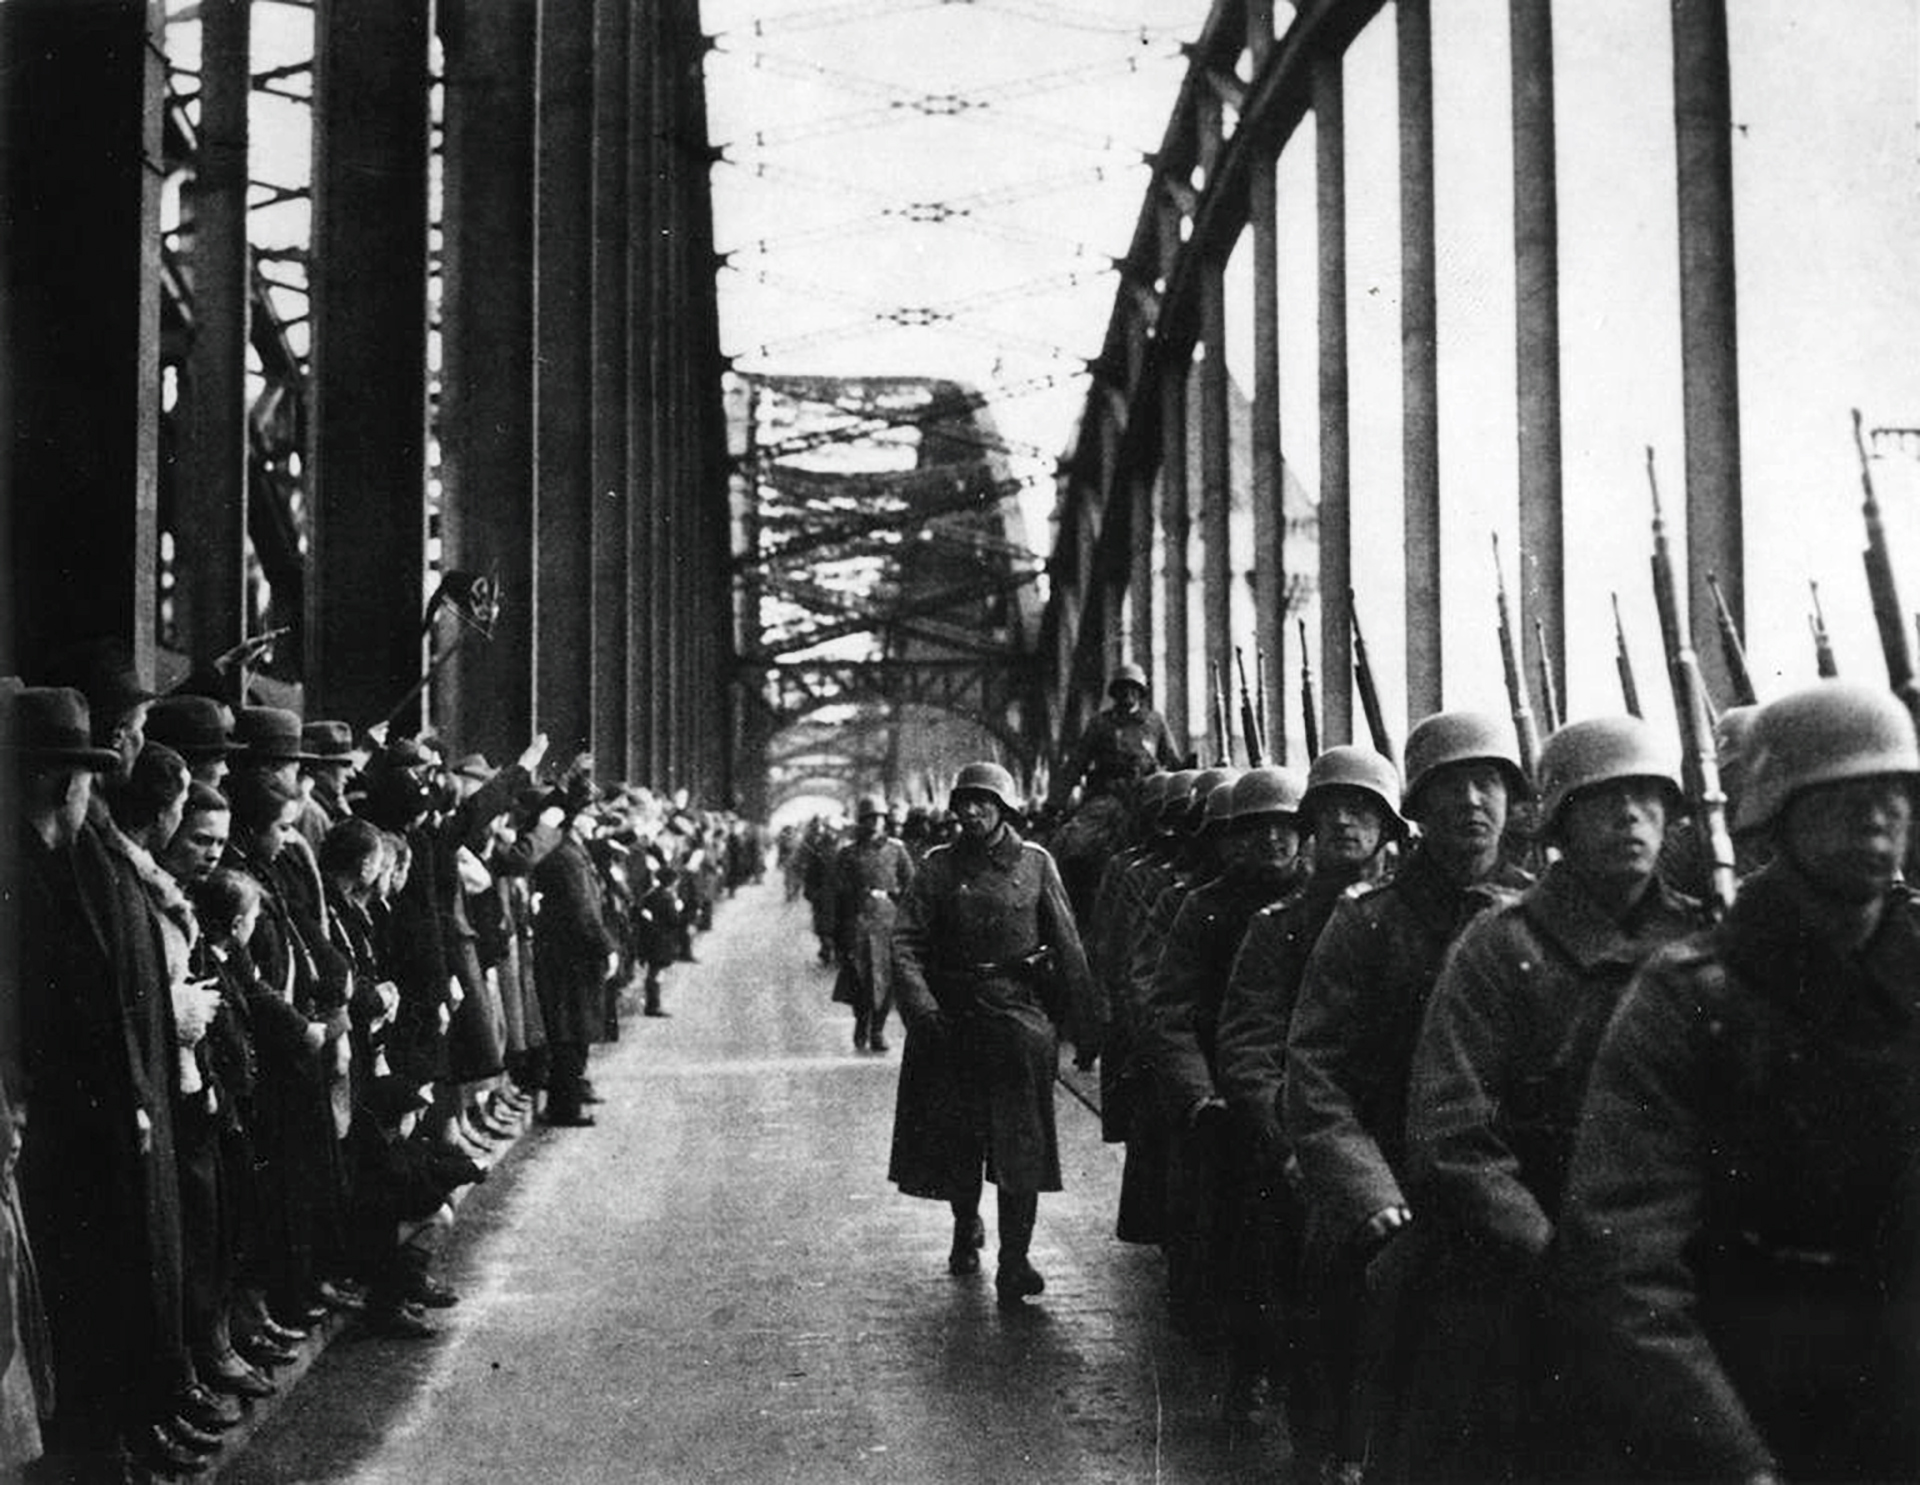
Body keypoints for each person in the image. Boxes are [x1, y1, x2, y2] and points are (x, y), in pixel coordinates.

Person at [1556, 682, 1920, 1483]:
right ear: (1776, 814)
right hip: (1752, 1407)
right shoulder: (1692, 996)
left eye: (1894, 790)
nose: (1878, 815)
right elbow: (1626, 1262)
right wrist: (1733, 1461)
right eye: (1842, 794)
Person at [1389, 716, 1703, 1482]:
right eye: (1605, 799)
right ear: (1561, 819)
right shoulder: (1498, 946)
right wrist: (1556, 1258)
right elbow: (1452, 1133)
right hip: (1523, 1280)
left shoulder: (1703, 943)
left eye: (1647, 796)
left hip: (1672, 1278)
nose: (1630, 815)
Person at [1284, 710, 1534, 1484]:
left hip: (1508, 1187)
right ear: (1418, 808)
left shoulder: (1540, 916)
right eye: (1452, 787)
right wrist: (1366, 1192)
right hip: (1391, 1183)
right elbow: (1315, 1068)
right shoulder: (1368, 921)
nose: (1473, 802)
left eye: (1488, 783)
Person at [1215, 744, 1404, 1443]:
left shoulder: (1405, 920)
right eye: (1332, 812)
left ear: (1388, 825)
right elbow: (1249, 1046)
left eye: (1363, 810)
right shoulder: (1278, 926)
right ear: (1312, 826)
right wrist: (1289, 1143)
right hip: (1296, 1137)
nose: (1347, 824)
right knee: (1286, 1282)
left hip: (1391, 1137)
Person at [888, 761, 1099, 1308]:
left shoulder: (1035, 864)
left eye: (984, 801)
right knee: (958, 1136)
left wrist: (1086, 1024)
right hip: (952, 1017)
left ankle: (1015, 1260)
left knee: (1021, 1144)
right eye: (965, 802)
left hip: (1017, 1016)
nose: (973, 811)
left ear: (1004, 808)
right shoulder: (937, 867)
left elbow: (1068, 944)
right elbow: (905, 943)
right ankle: (965, 1227)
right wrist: (923, 1010)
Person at [831, 796, 915, 1053]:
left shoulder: (896, 850)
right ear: (861, 821)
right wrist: (839, 927)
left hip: (887, 920)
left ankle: (877, 1029)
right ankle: (861, 1021)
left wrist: (904, 916)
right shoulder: (848, 853)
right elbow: (838, 891)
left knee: (885, 978)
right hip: (857, 919)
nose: (874, 823)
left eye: (878, 818)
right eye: (869, 818)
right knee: (859, 975)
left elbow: (911, 886)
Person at [1049, 663, 1183, 806]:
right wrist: (1054, 803)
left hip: (1146, 795)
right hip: (1107, 795)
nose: (1127, 692)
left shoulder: (1155, 722)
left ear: (1140, 692)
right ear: (1115, 692)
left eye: (1133, 687)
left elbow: (1172, 761)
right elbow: (1076, 765)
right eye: (1122, 687)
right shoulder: (1100, 723)